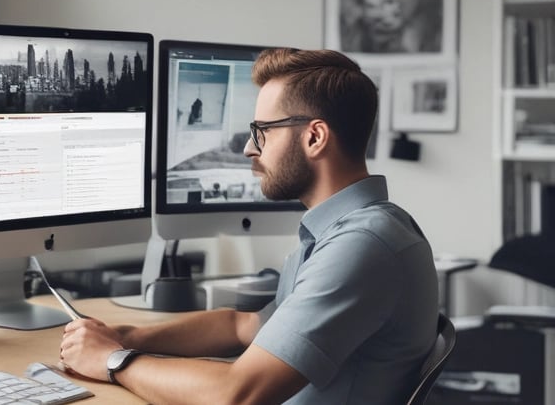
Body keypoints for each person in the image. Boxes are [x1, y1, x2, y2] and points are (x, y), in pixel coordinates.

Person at [59, 48, 438, 404]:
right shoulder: (341, 231)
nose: (249, 149)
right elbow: (243, 326)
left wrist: (114, 360)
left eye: (263, 131)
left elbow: (238, 395)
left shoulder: (362, 245)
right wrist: (126, 337)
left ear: (315, 137)